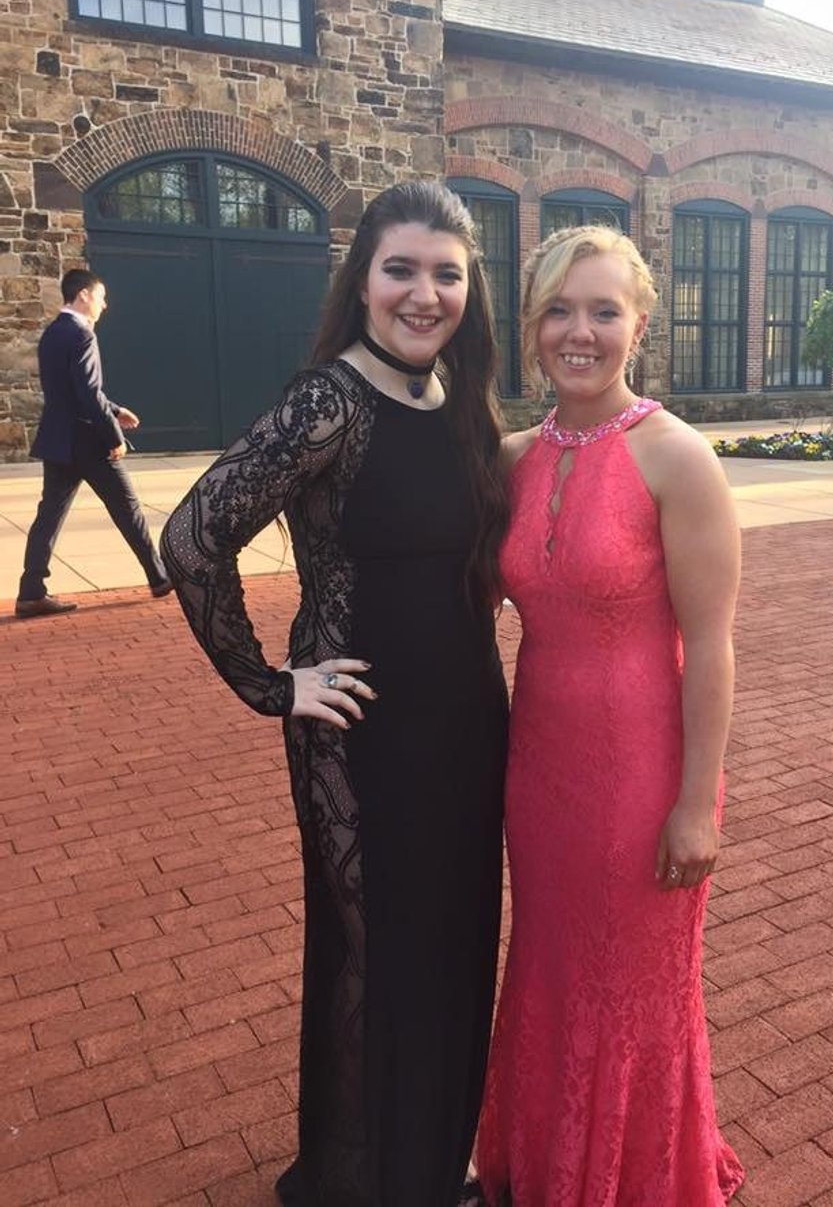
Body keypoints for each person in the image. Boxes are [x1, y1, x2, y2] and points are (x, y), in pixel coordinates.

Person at [160, 181, 509, 1207]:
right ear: (361, 280)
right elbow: (192, 539)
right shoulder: (330, 402)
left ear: (469, 290)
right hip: (356, 729)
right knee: (372, 954)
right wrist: (271, 683)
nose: (423, 293)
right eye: (400, 269)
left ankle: (431, 1161)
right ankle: (357, 1180)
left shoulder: (459, 398)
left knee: (452, 942)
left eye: (446, 273)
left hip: (464, 720)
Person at [476, 226, 745, 1205]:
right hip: (540, 771)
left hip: (642, 775)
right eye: (557, 309)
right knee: (549, 964)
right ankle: (550, 1163)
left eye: (601, 310)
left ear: (639, 324)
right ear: (531, 324)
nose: (577, 331)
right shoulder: (509, 458)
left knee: (633, 984)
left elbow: (709, 644)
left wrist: (695, 804)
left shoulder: (677, 458)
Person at [16, 268, 171, 617]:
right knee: (128, 509)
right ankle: (160, 578)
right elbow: (87, 392)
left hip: (58, 441)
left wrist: (114, 410)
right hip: (88, 442)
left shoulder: (52, 333)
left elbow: (70, 390)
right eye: (101, 297)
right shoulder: (82, 335)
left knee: (48, 516)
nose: (105, 304)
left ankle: (31, 592)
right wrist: (114, 436)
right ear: (83, 295)